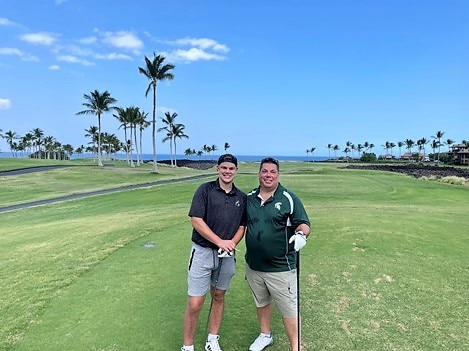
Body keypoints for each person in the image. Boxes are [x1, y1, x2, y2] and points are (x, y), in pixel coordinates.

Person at [181, 154, 247, 351]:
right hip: (202, 253)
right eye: (224, 168)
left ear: (236, 170)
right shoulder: (205, 190)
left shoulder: (241, 197)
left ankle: (212, 339)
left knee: (219, 295)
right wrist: (219, 241)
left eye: (231, 168)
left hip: (226, 256)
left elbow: (242, 225)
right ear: (218, 169)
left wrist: (231, 244)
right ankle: (188, 346)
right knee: (195, 303)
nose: (227, 171)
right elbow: (196, 220)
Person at [245, 157, 311, 351]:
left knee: (289, 310)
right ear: (259, 173)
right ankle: (265, 335)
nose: (268, 175)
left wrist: (301, 234)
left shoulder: (288, 198)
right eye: (264, 171)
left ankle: (295, 347)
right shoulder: (250, 198)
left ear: (278, 175)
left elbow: (304, 223)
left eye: (272, 172)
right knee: (262, 302)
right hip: (254, 266)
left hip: (281, 267)